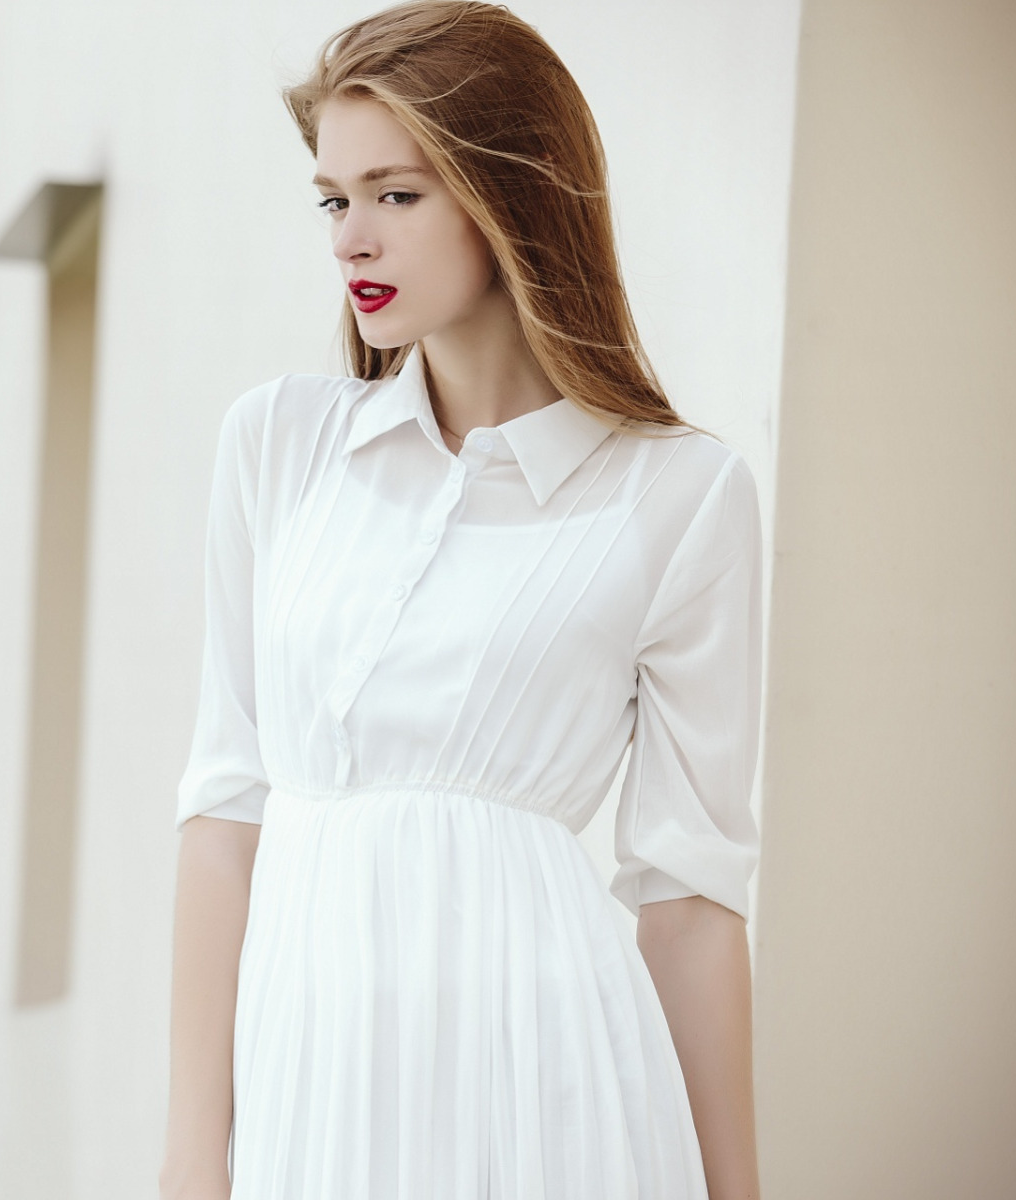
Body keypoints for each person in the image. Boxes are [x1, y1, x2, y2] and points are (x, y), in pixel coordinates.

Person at [159, 4, 764, 1198]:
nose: (351, 240)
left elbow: (689, 903)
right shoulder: (279, 448)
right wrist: (192, 1161)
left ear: (510, 194)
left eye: (396, 194)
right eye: (335, 199)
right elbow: (225, 818)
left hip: (551, 1095)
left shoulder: (681, 495)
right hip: (310, 1094)